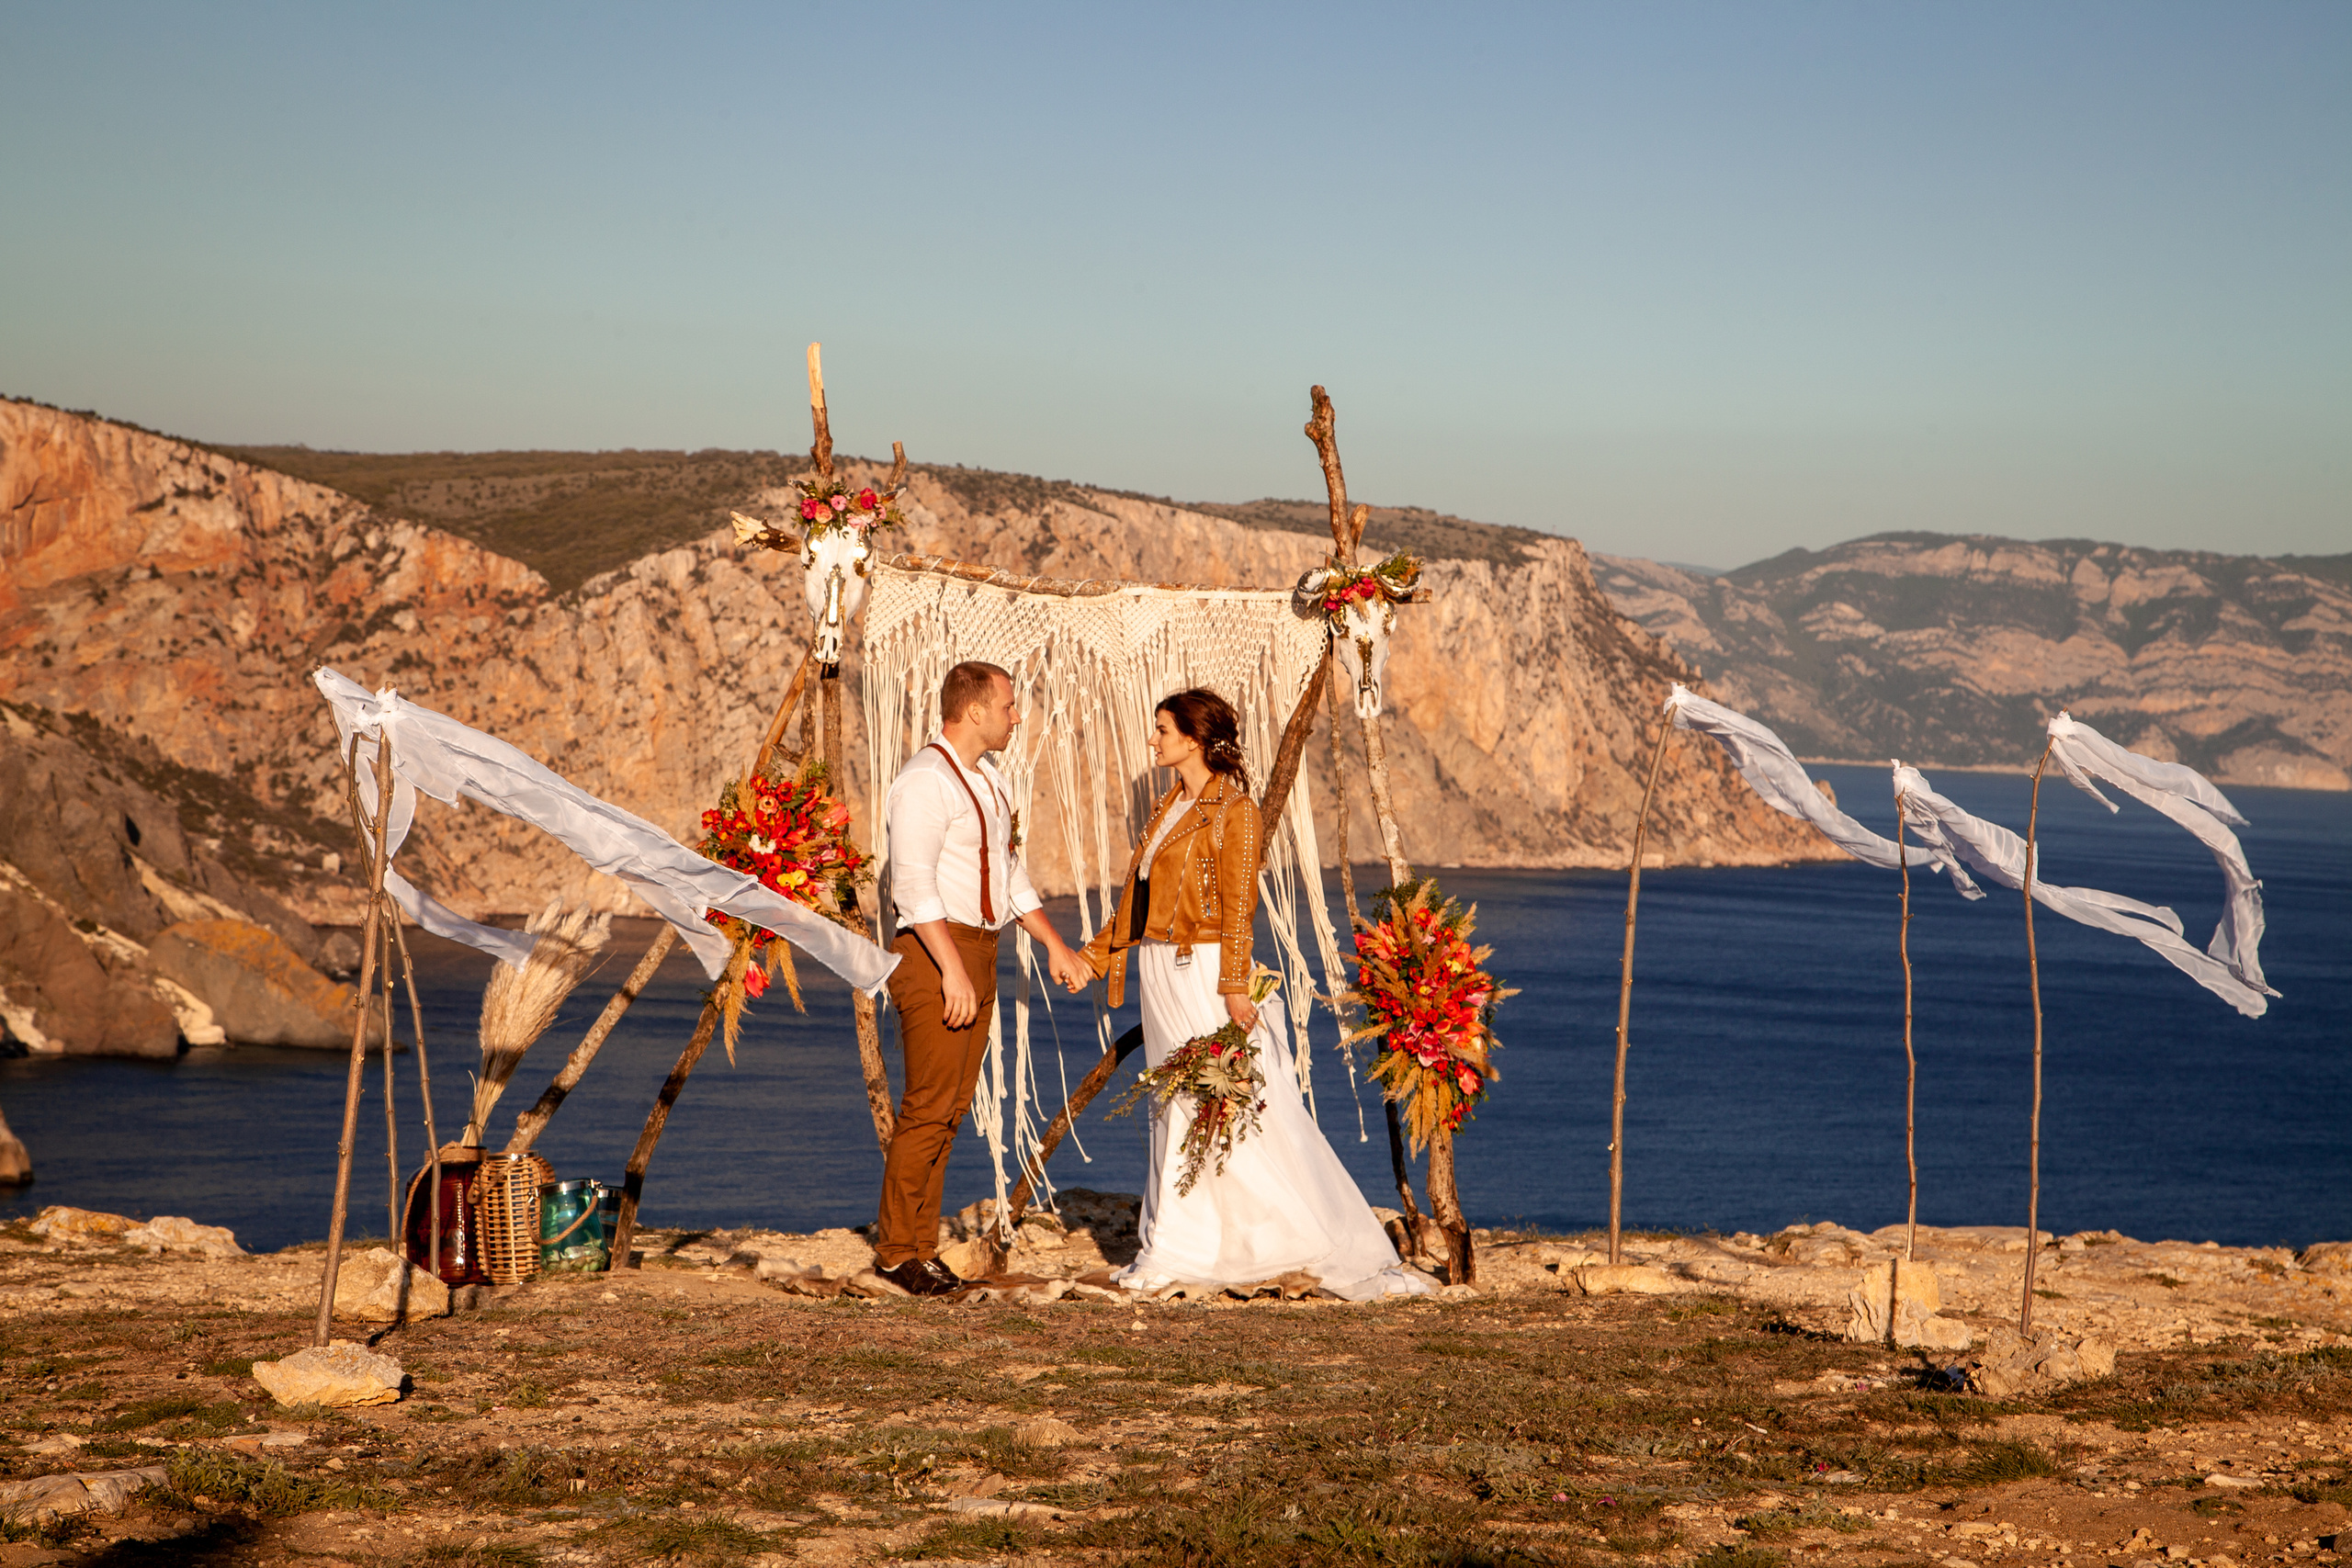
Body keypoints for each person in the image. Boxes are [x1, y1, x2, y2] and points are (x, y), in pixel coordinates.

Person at [1080, 688, 1430, 1300]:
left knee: (1222, 1104)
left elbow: (1239, 908)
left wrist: (1236, 988)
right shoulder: (1169, 806)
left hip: (1204, 969)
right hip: (1159, 973)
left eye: (1163, 730)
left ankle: (1240, 1241)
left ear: (1193, 738)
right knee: (1177, 1106)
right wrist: (1092, 954)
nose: (1153, 740)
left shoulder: (1234, 810)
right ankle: (1185, 1240)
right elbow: (1141, 904)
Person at [876, 660, 1090, 1296]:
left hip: (979, 949)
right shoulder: (923, 782)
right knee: (927, 1106)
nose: (1016, 715)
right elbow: (913, 887)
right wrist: (951, 970)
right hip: (935, 950)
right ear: (973, 711)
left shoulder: (988, 781)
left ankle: (920, 1247)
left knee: (951, 1108)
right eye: (1008, 704)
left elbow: (1011, 875)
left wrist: (1055, 946)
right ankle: (894, 1252)